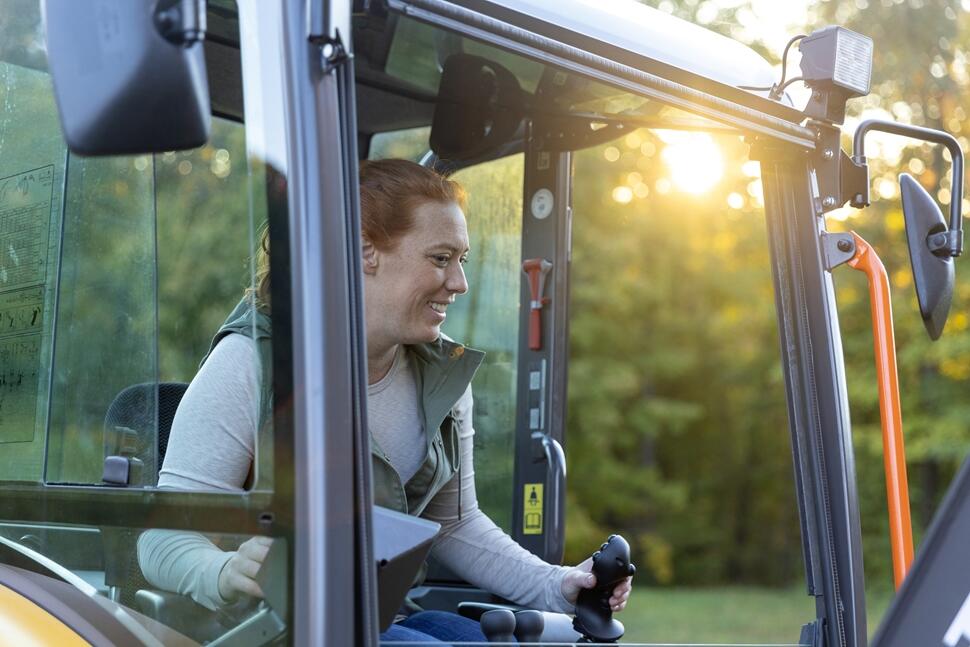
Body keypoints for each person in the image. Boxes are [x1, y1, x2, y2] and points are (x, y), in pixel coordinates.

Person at [137, 159, 633, 643]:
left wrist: (558, 584)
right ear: (364, 251)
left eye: (462, 260)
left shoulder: (444, 376)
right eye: (441, 259)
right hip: (269, 629)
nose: (459, 283)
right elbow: (160, 540)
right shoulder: (249, 364)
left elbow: (454, 524)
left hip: (381, 620)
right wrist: (226, 571)